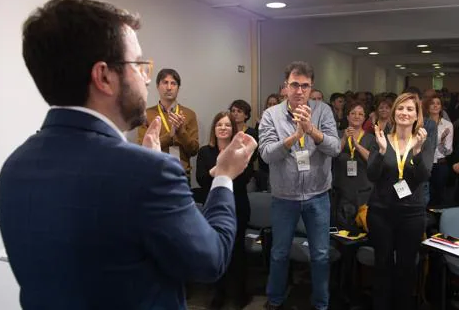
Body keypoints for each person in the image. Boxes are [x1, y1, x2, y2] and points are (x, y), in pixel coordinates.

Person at [0, 0, 257, 310]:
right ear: (104, 76)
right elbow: (210, 260)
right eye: (139, 65)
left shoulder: (15, 167)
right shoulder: (147, 173)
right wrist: (224, 177)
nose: (148, 78)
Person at [258, 61, 340, 310]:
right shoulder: (271, 115)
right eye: (294, 85)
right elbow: (266, 154)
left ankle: (321, 304)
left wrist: (312, 131)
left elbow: (335, 148)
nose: (300, 91)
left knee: (321, 255)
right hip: (284, 197)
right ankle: (275, 300)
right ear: (285, 87)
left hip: (318, 196)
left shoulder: (323, 111)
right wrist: (295, 135)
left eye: (305, 86)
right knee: (279, 253)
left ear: (311, 87)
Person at [366, 93, 429, 310]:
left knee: (406, 266)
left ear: (416, 115)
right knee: (382, 264)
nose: (405, 113)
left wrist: (418, 151)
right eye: (400, 108)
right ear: (394, 112)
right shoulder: (382, 137)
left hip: (411, 214)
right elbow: (372, 175)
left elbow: (423, 176)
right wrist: (382, 151)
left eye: (410, 109)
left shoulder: (422, 140)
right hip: (381, 212)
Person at [196, 112, 254, 309]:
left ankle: (239, 294)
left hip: (238, 205)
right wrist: (222, 167)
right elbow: (202, 180)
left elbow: (244, 178)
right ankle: (218, 293)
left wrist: (222, 168)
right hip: (213, 207)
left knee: (237, 251)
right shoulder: (205, 152)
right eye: (219, 124)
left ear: (233, 129)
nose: (223, 128)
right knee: (216, 251)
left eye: (227, 125)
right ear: (214, 129)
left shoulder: (241, 150)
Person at [138, 68, 200, 183]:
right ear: (157, 86)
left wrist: (181, 131)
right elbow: (143, 149)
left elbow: (194, 150)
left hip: (181, 175)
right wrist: (169, 136)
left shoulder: (189, 114)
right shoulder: (146, 114)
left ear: (178, 88)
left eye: (173, 83)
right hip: (155, 174)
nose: (169, 87)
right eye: (165, 82)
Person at [332, 102, 375, 231]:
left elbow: (372, 159)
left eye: (360, 114)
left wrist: (357, 145)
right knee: (342, 231)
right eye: (353, 113)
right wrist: (344, 138)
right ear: (347, 116)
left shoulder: (370, 138)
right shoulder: (338, 134)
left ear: (365, 118)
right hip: (341, 190)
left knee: (363, 229)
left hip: (364, 191)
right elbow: (333, 153)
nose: (357, 116)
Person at [424, 95, 453, 207]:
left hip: (440, 164)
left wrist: (440, 142)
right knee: (424, 194)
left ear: (441, 107)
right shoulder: (422, 124)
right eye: (432, 103)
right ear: (427, 106)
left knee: (439, 196)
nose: (435, 105)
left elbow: (448, 151)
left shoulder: (447, 125)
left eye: (438, 103)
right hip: (425, 163)